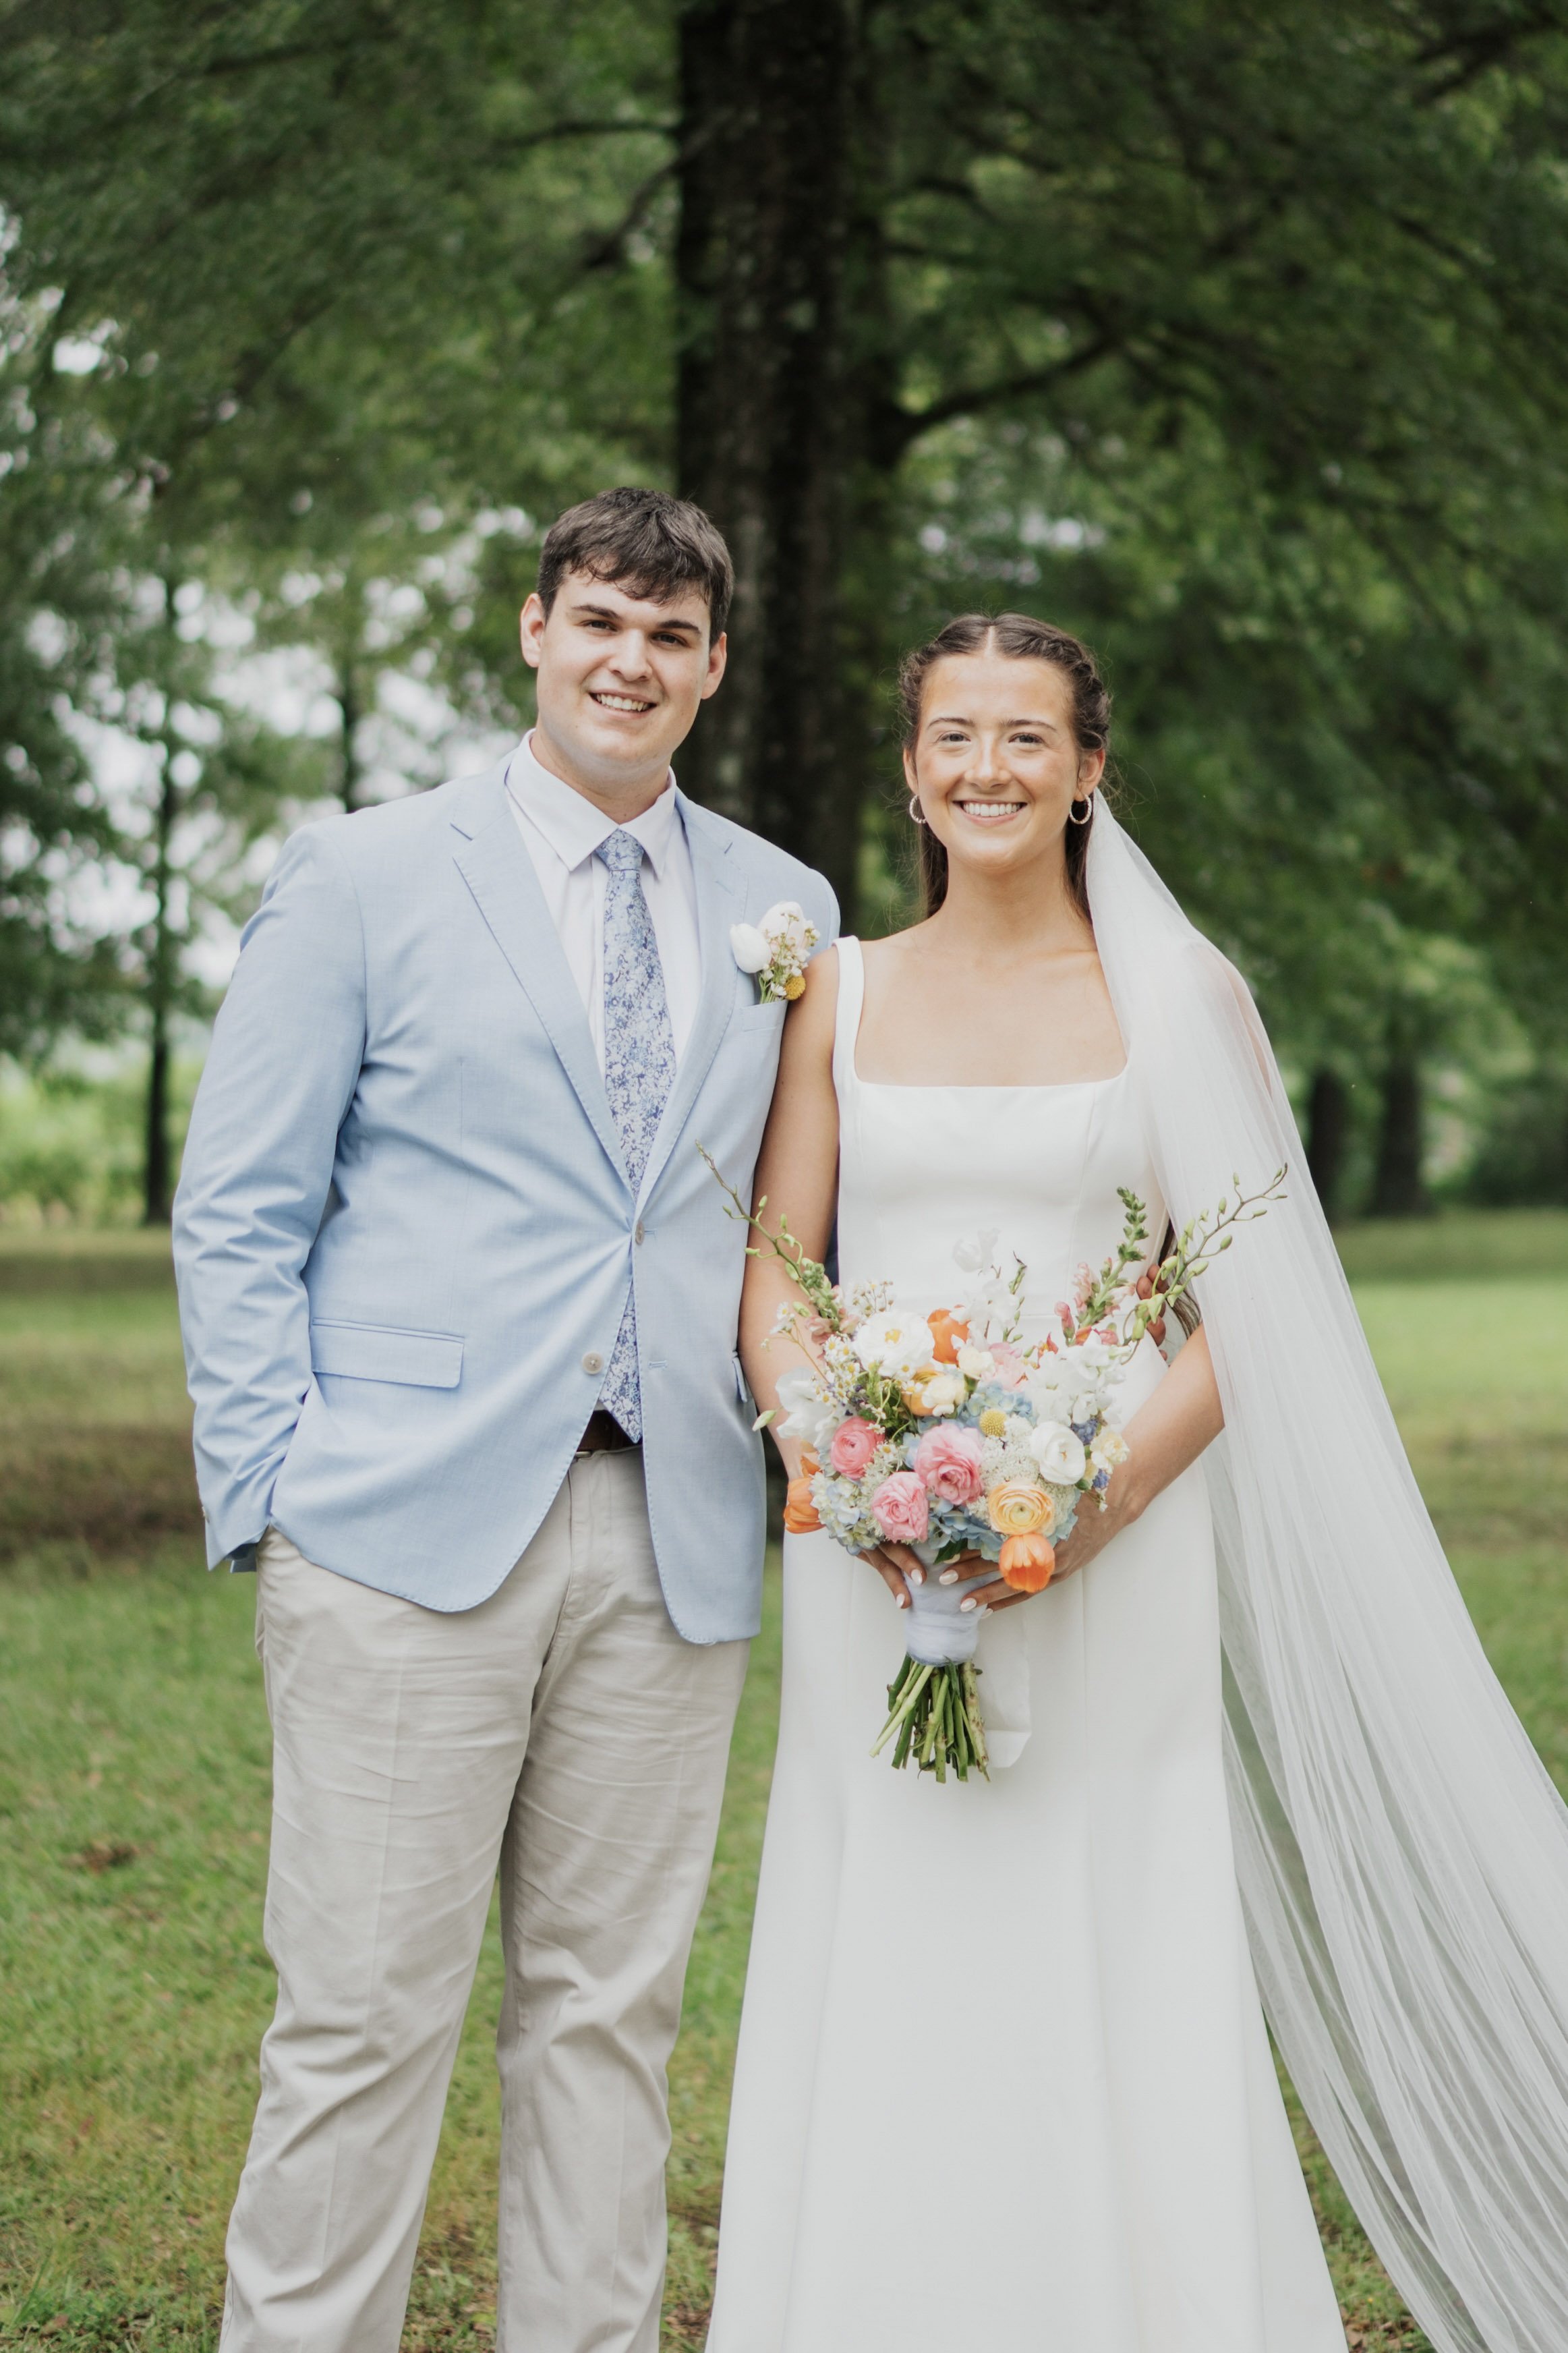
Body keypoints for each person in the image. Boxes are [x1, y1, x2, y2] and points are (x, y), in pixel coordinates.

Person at [707, 613, 1568, 2353]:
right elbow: (775, 1276)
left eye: (1028, 739)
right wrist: (862, 1481)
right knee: (890, 1908)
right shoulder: (841, 991)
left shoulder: (1185, 998)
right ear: (910, 770)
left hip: (1115, 1542)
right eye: (955, 737)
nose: (988, 771)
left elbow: (1244, 1315)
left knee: (1111, 1904)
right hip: (867, 1558)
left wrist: (1068, 1512)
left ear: (1092, 771)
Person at [173, 486, 836, 2353]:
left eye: (673, 635)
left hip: (677, 1518)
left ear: (715, 668)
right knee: (365, 2013)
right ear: (534, 628)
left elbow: (787, 1212)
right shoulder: (366, 875)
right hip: (395, 1523)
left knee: (609, 2018)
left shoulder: (792, 907)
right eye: (601, 621)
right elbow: (240, 1207)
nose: (633, 661)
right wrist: (275, 1490)